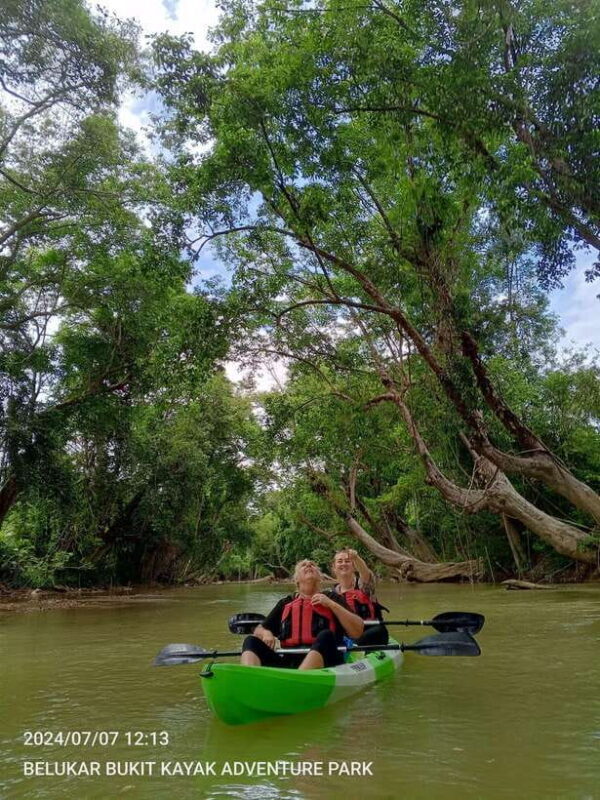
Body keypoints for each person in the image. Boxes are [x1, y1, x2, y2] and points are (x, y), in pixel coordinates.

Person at [241, 559, 364, 670]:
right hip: (289, 662)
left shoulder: (332, 598)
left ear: (320, 577)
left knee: (325, 635)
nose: (308, 565)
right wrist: (266, 633)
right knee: (251, 641)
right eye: (303, 565)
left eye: (312, 564)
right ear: (296, 579)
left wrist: (331, 604)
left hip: (327, 662)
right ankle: (249, 675)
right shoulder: (286, 603)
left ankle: (299, 678)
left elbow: (358, 631)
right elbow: (259, 630)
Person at [332, 548, 389, 646]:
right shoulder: (331, 594)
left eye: (347, 561)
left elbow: (365, 573)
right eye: (340, 561)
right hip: (347, 635)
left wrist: (356, 558)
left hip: (371, 631)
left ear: (354, 566)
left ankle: (353, 646)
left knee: (377, 631)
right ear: (334, 568)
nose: (343, 564)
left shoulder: (363, 585)